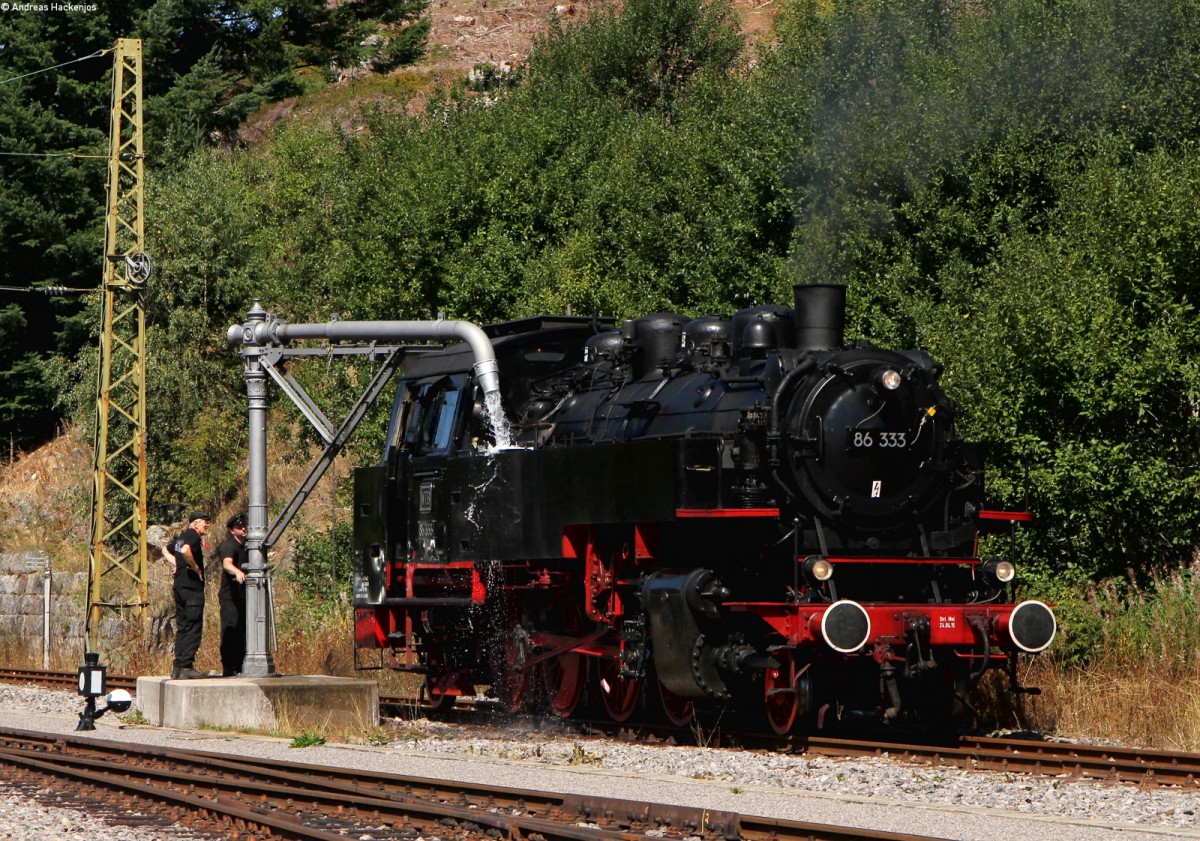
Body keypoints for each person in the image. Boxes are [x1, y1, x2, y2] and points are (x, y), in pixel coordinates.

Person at [170, 512, 211, 679]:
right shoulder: (192, 536)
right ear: (195, 524)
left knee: (183, 627)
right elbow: (186, 551)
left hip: (179, 587)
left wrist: (178, 565)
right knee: (193, 627)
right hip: (191, 588)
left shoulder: (181, 537)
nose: (207, 526)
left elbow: (167, 550)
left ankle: (178, 668)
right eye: (205, 523)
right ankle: (186, 666)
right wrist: (195, 567)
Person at [218, 512, 249, 677]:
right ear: (232, 530)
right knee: (230, 628)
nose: (243, 529)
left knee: (242, 629)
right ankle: (228, 666)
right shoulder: (230, 545)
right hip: (229, 596)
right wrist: (237, 572)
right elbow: (227, 563)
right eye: (239, 527)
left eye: (244, 526)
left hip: (243, 595)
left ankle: (240, 664)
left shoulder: (248, 545)